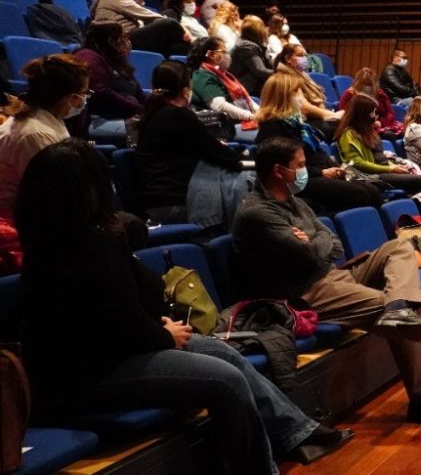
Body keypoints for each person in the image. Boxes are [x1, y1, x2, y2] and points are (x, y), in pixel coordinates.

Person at [15, 139, 355, 473]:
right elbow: (105, 329)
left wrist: (160, 328)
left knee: (226, 354)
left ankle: (297, 433)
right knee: (225, 379)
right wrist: (164, 336)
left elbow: (127, 308)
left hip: (122, 351)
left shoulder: (87, 238)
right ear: (89, 190)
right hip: (85, 378)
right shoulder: (69, 251)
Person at [232, 137, 421, 427]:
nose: (306, 171)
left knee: (398, 248)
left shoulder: (296, 202)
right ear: (278, 171)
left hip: (330, 273)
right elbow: (310, 251)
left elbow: (330, 243)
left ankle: (398, 307)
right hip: (305, 293)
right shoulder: (257, 212)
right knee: (401, 318)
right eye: (301, 165)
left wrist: (311, 238)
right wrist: (313, 241)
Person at [255, 72, 382, 213]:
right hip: (301, 180)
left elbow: (318, 153)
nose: (301, 99)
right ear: (283, 96)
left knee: (372, 189)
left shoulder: (297, 123)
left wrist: (338, 168)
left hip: (319, 173)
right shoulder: (272, 127)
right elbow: (282, 169)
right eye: (297, 93)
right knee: (361, 194)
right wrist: (321, 172)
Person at [137, 60, 244, 225]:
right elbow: (219, 153)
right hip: (177, 202)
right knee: (244, 181)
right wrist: (244, 159)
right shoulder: (178, 115)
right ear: (185, 91)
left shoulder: (153, 112)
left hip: (159, 202)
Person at [0, 55, 87, 219]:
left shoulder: (46, 119)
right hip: (22, 222)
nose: (84, 100)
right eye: (84, 93)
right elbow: (53, 195)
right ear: (70, 98)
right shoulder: (34, 134)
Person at [336, 94, 421, 194]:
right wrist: (390, 168)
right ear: (363, 114)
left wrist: (396, 167)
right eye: (373, 112)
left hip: (383, 171)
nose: (375, 116)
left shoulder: (367, 131)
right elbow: (357, 163)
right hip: (370, 176)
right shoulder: (348, 134)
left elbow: (381, 158)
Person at [71, 23, 144, 146]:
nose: (126, 42)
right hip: (97, 120)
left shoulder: (117, 61)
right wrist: (140, 109)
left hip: (123, 118)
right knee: (153, 130)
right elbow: (100, 92)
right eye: (121, 38)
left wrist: (154, 108)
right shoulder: (88, 56)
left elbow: (137, 91)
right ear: (110, 41)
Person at [90, 0, 191, 57]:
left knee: (176, 48)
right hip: (119, 39)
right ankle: (197, 50)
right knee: (170, 24)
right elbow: (150, 16)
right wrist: (182, 29)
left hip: (128, 38)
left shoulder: (120, 2)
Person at [188, 36, 258, 141]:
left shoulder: (225, 75)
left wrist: (263, 113)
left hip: (243, 121)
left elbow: (248, 100)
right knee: (271, 135)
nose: (228, 55)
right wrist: (250, 116)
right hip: (228, 127)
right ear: (211, 54)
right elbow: (219, 106)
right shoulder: (202, 75)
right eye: (224, 51)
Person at [274, 43, 340, 137]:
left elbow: (317, 101)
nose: (304, 59)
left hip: (309, 119)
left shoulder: (303, 76)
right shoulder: (286, 78)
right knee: (337, 127)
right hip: (294, 124)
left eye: (305, 56)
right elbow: (304, 108)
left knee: (342, 124)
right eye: (300, 55)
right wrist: (331, 115)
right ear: (288, 59)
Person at [339, 67, 403, 140]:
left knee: (396, 133)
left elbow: (390, 113)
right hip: (360, 127)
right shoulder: (349, 94)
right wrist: (368, 123)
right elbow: (344, 115)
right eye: (365, 84)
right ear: (358, 83)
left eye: (370, 85)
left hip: (380, 125)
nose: (367, 87)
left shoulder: (380, 94)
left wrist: (380, 123)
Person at [227, 14, 274, 97]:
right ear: (257, 30)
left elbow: (270, 64)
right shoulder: (246, 46)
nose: (265, 30)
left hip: (252, 84)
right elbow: (260, 71)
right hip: (245, 87)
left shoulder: (254, 44)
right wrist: (280, 74)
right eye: (263, 27)